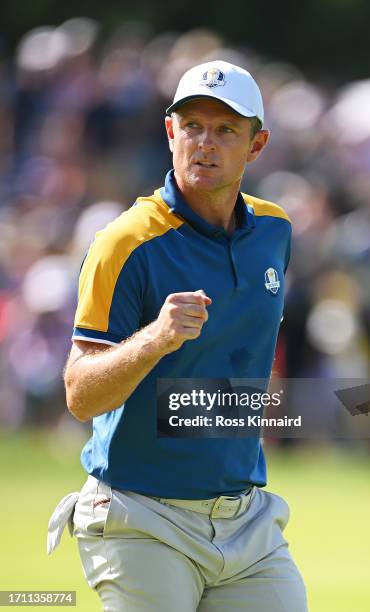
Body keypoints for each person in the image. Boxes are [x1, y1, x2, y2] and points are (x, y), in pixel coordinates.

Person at [47, 60, 308, 612]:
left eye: (225, 130)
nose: (204, 143)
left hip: (246, 520)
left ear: (256, 146)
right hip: (140, 517)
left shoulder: (276, 231)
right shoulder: (124, 243)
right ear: (171, 134)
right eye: (191, 126)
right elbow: (79, 395)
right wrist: (156, 339)